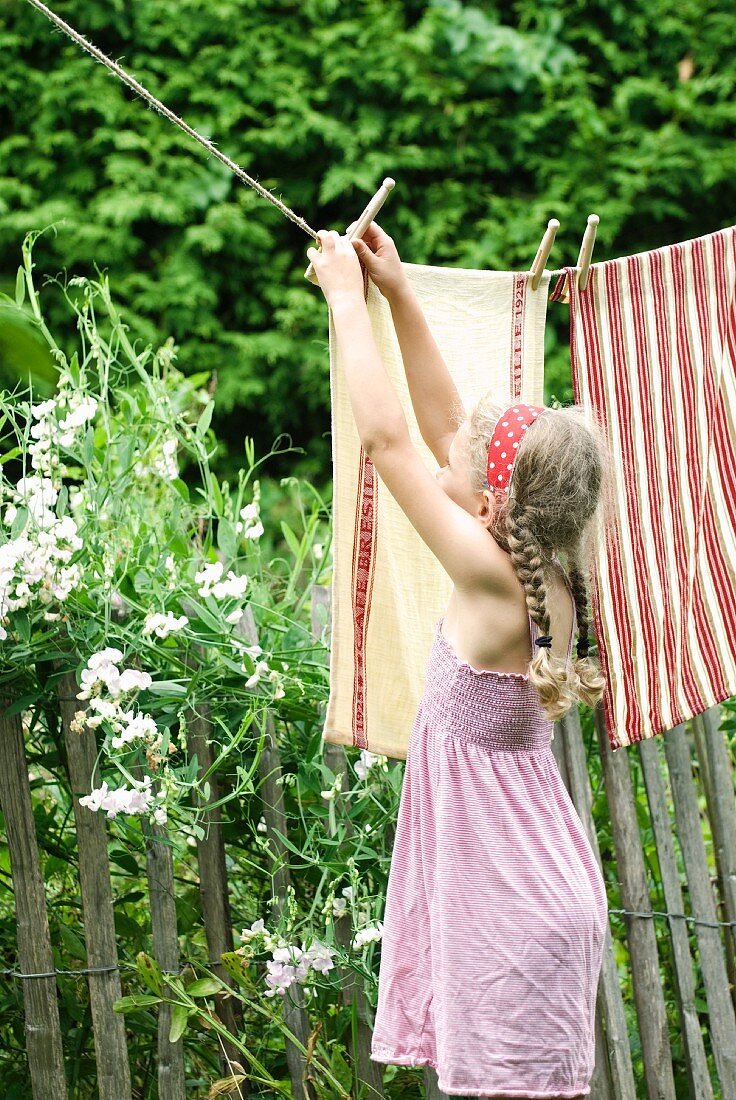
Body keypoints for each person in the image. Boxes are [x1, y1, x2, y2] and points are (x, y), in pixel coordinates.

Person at [307, 223, 614, 1099]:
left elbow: (394, 443)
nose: (452, 449)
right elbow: (444, 429)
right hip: (533, 892)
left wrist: (342, 301)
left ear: (489, 502)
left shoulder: (488, 578)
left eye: (467, 460)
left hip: (515, 911)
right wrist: (399, 294)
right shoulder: (535, 565)